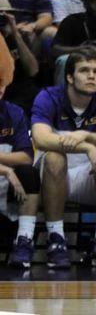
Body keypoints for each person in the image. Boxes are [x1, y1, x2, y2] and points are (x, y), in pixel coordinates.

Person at [30, 48, 96, 268]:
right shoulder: (49, 96)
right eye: (84, 70)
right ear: (70, 77)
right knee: (54, 157)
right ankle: (56, 240)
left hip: (91, 174)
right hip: (52, 177)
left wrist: (88, 135)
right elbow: (41, 139)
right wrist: (88, 148)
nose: (92, 76)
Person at [0, 41, 41, 269]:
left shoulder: (13, 112)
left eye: (2, 82)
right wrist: (6, 168)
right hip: (5, 176)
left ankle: (23, 240)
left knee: (29, 173)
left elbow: (26, 157)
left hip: (7, 197)